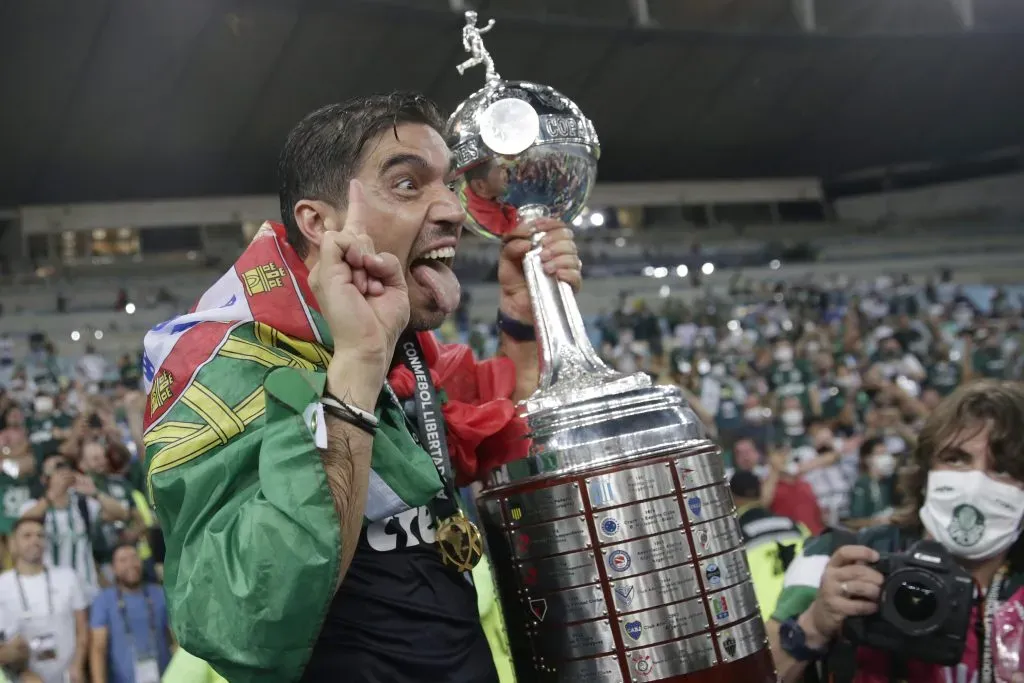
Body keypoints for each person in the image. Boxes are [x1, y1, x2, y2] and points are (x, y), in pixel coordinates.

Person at [141, 93, 582, 683]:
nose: (452, 209)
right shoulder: (218, 369)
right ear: (319, 224)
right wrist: (356, 366)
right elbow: (245, 618)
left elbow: (500, 439)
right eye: (407, 185)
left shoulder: (409, 351)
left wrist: (525, 324)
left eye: (448, 184)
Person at [768, 380, 1024, 683]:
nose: (975, 482)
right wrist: (814, 625)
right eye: (956, 459)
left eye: (1003, 468)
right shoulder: (839, 558)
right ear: (926, 470)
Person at [19, 455, 131, 602]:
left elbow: (122, 514)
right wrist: (51, 496)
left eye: (65, 467)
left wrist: (95, 493)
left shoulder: (83, 505)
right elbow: (22, 523)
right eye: (56, 469)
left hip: (87, 590)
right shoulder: (33, 506)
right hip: (51, 594)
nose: (63, 473)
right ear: (44, 479)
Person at [0, 518, 88, 683]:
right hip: (23, 678)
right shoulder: (2, 585)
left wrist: (78, 665)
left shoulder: (68, 577)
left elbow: (82, 630)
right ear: (13, 542)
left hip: (69, 676)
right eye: (27, 536)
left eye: (40, 536)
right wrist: (22, 673)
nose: (35, 540)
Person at [89, 543, 172, 683]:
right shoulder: (103, 600)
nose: (131, 564)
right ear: (113, 568)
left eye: (134, 557)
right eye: (123, 560)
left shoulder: (159, 594)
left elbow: (175, 640)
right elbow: (98, 649)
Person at [730, 470, 809, 616]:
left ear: (732, 498)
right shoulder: (796, 526)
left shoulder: (732, 537)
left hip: (767, 621)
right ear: (760, 494)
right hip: (805, 611)